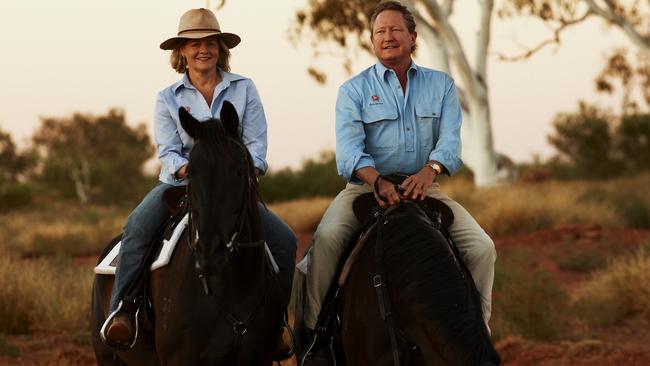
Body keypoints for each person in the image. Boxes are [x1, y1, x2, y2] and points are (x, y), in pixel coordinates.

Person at [302, 0, 496, 357]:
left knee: (482, 248)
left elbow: (450, 140)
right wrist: (376, 180)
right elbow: (348, 152)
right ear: (372, 41)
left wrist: (430, 170)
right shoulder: (354, 90)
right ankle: (314, 336)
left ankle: (475, 336)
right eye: (380, 32)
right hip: (365, 187)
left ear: (412, 37)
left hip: (424, 186)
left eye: (395, 30)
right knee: (326, 242)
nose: (387, 37)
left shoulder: (442, 85)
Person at [101, 8, 296, 355]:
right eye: (193, 44)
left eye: (210, 42)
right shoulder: (168, 98)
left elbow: (256, 146)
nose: (202, 49)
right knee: (136, 228)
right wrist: (196, 172)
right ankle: (124, 310)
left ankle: (276, 324)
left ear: (221, 49)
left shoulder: (244, 88)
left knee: (284, 240)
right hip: (180, 185)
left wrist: (240, 174)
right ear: (181, 52)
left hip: (235, 186)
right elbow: (169, 152)